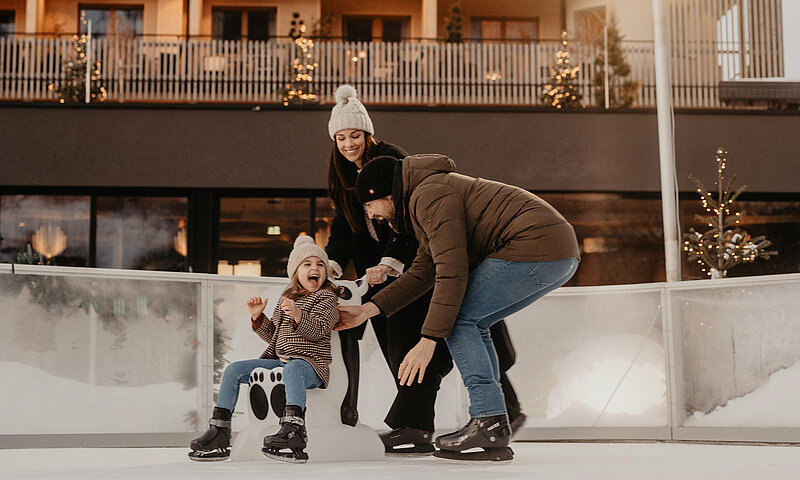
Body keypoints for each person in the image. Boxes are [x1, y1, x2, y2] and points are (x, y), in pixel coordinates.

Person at [337, 154, 580, 462]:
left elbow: (451, 272)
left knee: (459, 319)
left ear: (385, 194)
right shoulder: (424, 198)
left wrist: (428, 340)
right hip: (555, 252)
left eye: (369, 205)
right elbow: (423, 271)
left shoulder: (428, 195)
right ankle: (493, 422)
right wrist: (367, 310)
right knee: (472, 321)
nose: (371, 215)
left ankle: (489, 420)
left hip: (534, 245)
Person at [325, 84, 453, 454]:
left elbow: (407, 219)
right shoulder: (341, 174)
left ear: (368, 133)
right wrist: (332, 262)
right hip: (375, 279)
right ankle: (415, 426)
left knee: (407, 347)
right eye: (341, 138)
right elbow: (344, 226)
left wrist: (390, 261)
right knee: (393, 351)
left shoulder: (393, 162)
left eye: (355, 135)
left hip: (410, 271)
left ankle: (412, 425)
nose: (348, 144)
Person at [188, 235, 339, 464]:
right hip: (281, 361)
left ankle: (294, 429)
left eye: (320, 265)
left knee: (293, 368)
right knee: (234, 370)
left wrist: (298, 314)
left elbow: (318, 330)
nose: (315, 269)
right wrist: (259, 318)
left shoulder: (326, 298)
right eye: (307, 264)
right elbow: (275, 338)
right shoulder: (287, 297)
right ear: (295, 272)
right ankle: (219, 430)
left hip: (310, 364)